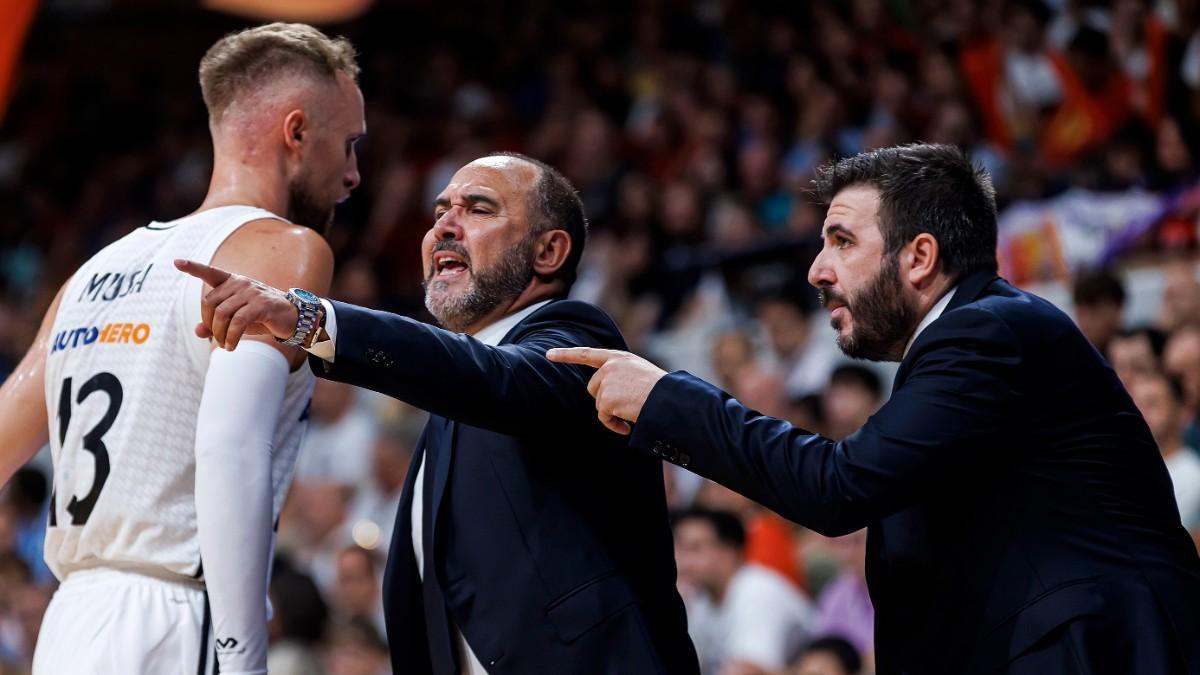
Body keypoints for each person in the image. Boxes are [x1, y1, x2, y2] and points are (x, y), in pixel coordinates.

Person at [551, 144, 1200, 673]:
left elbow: (840, 485)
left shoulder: (986, 333)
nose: (817, 269)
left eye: (841, 241)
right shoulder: (975, 341)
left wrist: (666, 397)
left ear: (919, 257)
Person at [178, 152, 699, 674]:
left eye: (479, 209)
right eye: (440, 211)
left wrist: (313, 320)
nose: (444, 227)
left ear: (548, 251)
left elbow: (493, 379)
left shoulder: (576, 340)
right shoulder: (456, 394)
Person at [0, 22, 364, 674]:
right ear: (297, 132)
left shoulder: (94, 270)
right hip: (177, 615)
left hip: (71, 620)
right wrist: (244, 653)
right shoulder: (285, 249)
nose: (353, 174)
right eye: (349, 144)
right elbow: (231, 450)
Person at [673, 507, 814, 675]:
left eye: (695, 548)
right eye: (679, 547)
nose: (682, 559)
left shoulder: (756, 590)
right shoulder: (699, 597)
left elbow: (750, 670)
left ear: (729, 553)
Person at [1128, 371, 1200, 527]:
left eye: (1152, 404)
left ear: (1182, 411)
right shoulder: (1124, 466)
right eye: (1135, 405)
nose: (1141, 412)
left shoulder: (1192, 475)